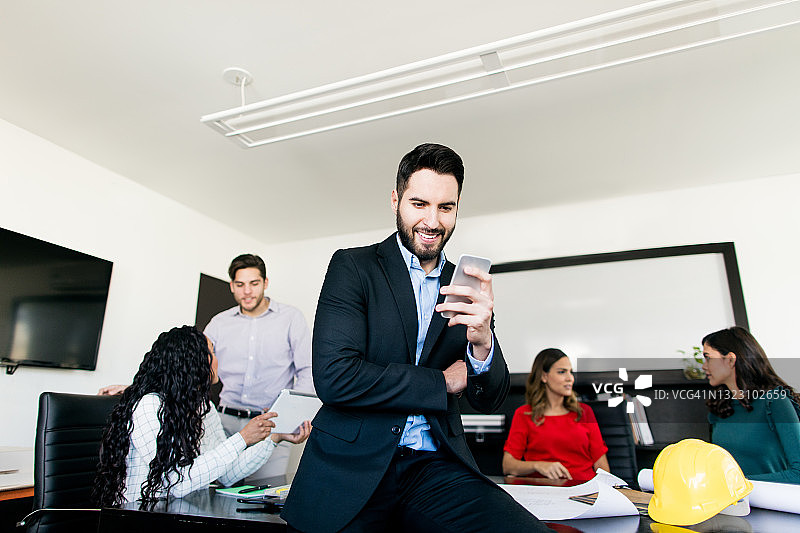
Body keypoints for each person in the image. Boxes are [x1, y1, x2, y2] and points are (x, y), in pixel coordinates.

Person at [281, 143, 551, 532]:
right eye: (419, 204)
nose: (432, 220)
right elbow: (335, 377)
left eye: (446, 207)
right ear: (396, 200)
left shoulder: (465, 283)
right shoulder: (353, 267)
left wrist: (481, 343)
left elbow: (488, 397)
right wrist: (443, 381)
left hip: (436, 466)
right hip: (351, 468)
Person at [93, 325, 311, 509]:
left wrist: (273, 439)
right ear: (193, 361)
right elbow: (174, 483)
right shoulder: (150, 406)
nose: (217, 360)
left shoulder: (203, 407)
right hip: (140, 511)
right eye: (213, 352)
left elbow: (226, 474)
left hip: (183, 509)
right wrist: (241, 439)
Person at [203, 253, 314, 479]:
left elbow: (307, 370)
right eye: (240, 284)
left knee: (260, 502)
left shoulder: (291, 318)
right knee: (214, 493)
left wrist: (290, 414)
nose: (247, 291)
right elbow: (193, 363)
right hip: (224, 425)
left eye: (254, 284)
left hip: (270, 426)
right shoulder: (219, 322)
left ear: (265, 283)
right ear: (232, 286)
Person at [701, 326, 800, 483]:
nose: (704, 366)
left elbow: (798, 473)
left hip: (772, 504)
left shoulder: (774, 401)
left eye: (708, 357)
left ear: (730, 359)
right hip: (732, 504)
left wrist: (739, 484)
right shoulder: (719, 409)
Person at [502, 348, 609, 482]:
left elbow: (602, 467)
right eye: (562, 372)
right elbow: (508, 465)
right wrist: (538, 465)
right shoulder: (524, 414)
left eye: (570, 372)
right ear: (544, 376)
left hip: (585, 491)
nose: (570, 378)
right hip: (546, 491)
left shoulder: (584, 412)